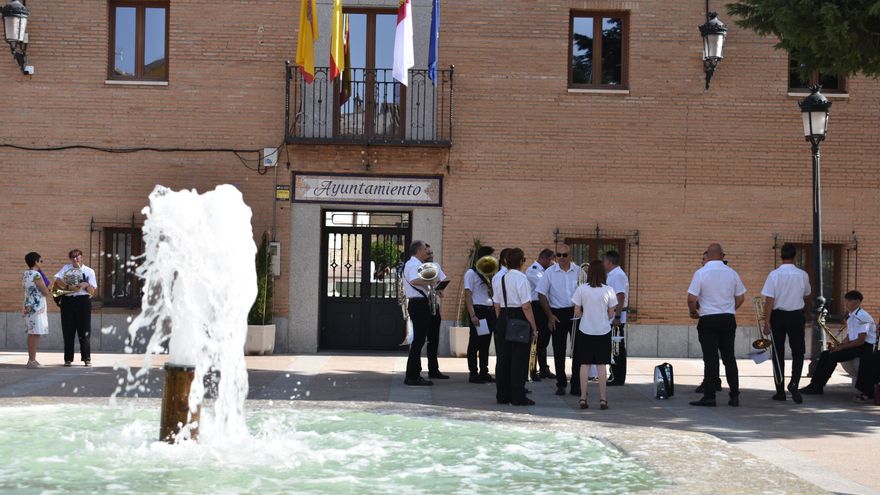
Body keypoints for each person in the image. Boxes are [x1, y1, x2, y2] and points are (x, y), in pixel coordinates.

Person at [687, 243, 746, 407]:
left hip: (708, 319)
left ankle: (710, 396)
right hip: (727, 319)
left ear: (709, 255)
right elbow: (741, 298)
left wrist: (693, 312)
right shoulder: (732, 273)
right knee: (729, 358)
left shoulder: (701, 273)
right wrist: (729, 309)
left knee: (711, 359)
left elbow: (691, 299)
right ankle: (734, 395)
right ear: (722, 255)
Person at [800, 291, 877, 402]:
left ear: (857, 302)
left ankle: (818, 386)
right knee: (826, 354)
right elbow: (850, 336)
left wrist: (841, 348)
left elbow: (860, 340)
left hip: (864, 347)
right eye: (846, 300)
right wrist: (839, 345)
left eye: (849, 301)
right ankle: (814, 384)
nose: (846, 303)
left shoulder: (862, 316)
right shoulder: (852, 316)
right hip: (856, 345)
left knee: (833, 356)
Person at [760, 243, 811, 403]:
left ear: (781, 256)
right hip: (796, 316)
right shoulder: (802, 274)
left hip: (778, 316)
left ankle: (780, 390)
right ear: (795, 256)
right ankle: (794, 383)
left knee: (777, 352)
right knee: (798, 352)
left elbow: (769, 300)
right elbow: (807, 294)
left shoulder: (774, 275)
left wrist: (766, 321)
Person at [536, 243, 584, 397]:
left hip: (576, 313)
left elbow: (587, 291)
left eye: (565, 255)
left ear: (570, 256)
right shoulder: (549, 272)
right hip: (557, 314)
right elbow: (541, 294)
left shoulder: (579, 271)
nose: (561, 258)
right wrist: (550, 315)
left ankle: (576, 385)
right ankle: (561, 384)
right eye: (558, 255)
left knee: (578, 351)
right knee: (558, 350)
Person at [493, 248, 538, 406]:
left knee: (503, 359)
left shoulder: (500, 278)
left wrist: (502, 322)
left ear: (506, 262)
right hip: (519, 317)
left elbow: (497, 305)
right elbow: (526, 306)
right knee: (519, 360)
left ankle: (502, 395)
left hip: (503, 318)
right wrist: (533, 326)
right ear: (521, 262)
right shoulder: (522, 279)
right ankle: (518, 396)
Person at [571, 260, 617, 410]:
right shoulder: (609, 290)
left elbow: (576, 311)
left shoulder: (582, 289)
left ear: (589, 274)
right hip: (603, 330)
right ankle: (603, 399)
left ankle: (583, 397)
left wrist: (587, 314)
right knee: (601, 365)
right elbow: (611, 313)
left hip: (585, 330)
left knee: (584, 364)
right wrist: (601, 315)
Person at [403, 240, 448, 385]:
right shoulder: (412, 264)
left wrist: (435, 285)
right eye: (424, 250)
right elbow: (414, 280)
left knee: (421, 340)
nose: (427, 252)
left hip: (423, 303)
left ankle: (416, 373)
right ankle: (412, 376)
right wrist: (432, 281)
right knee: (418, 341)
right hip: (418, 304)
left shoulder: (418, 264)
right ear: (418, 251)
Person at [53, 249, 97, 367]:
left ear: (82, 257)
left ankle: (86, 358)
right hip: (68, 300)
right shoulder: (66, 268)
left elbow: (93, 291)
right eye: (72, 257)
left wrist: (86, 284)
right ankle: (68, 359)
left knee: (85, 330)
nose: (75, 259)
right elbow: (57, 279)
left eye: (77, 257)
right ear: (70, 259)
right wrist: (68, 286)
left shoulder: (89, 271)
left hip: (83, 301)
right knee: (68, 330)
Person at [464, 245, 496, 383]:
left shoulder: (487, 273)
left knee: (485, 343)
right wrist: (473, 315)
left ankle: (484, 371)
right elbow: (468, 294)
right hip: (479, 310)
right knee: (475, 342)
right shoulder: (471, 273)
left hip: (488, 310)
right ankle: (473, 373)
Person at [526, 248, 556, 381]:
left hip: (545, 306)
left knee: (544, 340)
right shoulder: (533, 270)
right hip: (537, 306)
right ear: (544, 258)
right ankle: (532, 369)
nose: (552, 263)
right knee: (537, 340)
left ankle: (544, 369)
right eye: (550, 260)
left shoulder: (545, 271)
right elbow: (546, 287)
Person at [603, 250, 629, 386]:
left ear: (610, 261)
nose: (604, 264)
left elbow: (620, 296)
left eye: (605, 261)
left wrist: (617, 316)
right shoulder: (613, 275)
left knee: (616, 347)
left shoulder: (617, 275)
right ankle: (615, 375)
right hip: (613, 316)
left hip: (616, 317)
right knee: (614, 347)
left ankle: (617, 376)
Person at [22, 252, 51, 368]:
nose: (41, 263)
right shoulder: (36, 275)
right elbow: (45, 291)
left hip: (28, 304)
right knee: (36, 332)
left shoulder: (25, 273)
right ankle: (32, 361)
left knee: (32, 332)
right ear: (35, 262)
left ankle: (32, 359)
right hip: (36, 306)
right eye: (41, 261)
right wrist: (48, 290)